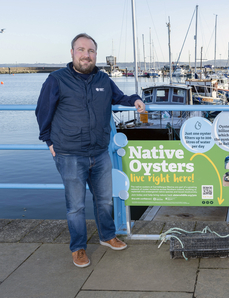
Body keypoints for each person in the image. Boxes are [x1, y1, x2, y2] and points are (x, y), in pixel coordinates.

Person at [35, 33, 146, 268]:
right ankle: (78, 248)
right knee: (75, 205)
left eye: (91, 51)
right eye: (81, 50)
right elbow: (42, 111)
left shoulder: (103, 80)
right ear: (72, 53)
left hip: (100, 152)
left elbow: (120, 97)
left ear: (96, 54)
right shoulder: (56, 80)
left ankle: (107, 236)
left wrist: (135, 99)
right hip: (69, 154)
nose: (86, 55)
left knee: (105, 200)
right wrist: (48, 141)